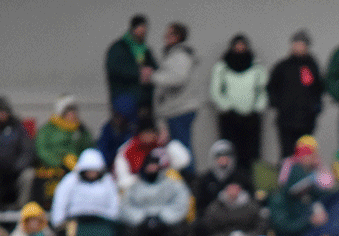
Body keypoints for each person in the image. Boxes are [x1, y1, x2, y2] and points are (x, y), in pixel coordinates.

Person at [210, 33, 269, 171]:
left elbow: (262, 91)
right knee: (229, 153)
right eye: (237, 45)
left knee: (252, 154)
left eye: (243, 45)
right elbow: (215, 91)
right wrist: (227, 108)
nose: (240, 48)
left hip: (251, 119)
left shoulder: (257, 67)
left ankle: (251, 185)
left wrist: (257, 109)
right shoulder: (222, 67)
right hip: (230, 118)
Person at [49, 147, 121, 236]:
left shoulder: (107, 181)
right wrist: (59, 222)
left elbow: (114, 204)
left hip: (101, 222)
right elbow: (60, 202)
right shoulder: (70, 180)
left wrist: (112, 219)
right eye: (89, 170)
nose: (92, 173)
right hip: (77, 222)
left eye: (94, 170)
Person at [120, 147, 191, 236]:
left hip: (167, 223)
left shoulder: (172, 184)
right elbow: (125, 207)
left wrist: (163, 217)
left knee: (180, 230)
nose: (152, 168)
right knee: (129, 233)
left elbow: (182, 202)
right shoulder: (134, 187)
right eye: (149, 165)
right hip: (141, 225)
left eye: (154, 165)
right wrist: (142, 218)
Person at [267, 29, 326, 160]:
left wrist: (315, 108)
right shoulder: (282, 66)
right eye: (297, 44)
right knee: (287, 154)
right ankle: (286, 179)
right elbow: (271, 88)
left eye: (302, 44)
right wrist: (279, 105)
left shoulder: (312, 66)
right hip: (286, 121)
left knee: (305, 154)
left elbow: (319, 89)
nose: (299, 47)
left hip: (307, 121)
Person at [151, 21, 200, 173]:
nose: (165, 37)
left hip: (179, 110)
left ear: (178, 36)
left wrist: (153, 77)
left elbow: (178, 78)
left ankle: (188, 180)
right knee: (176, 150)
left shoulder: (180, 55)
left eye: (170, 34)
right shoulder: (173, 54)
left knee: (181, 150)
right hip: (174, 110)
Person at [105, 13, 157, 113]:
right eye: (140, 29)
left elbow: (154, 67)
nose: (143, 32)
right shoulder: (119, 48)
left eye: (145, 29)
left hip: (144, 101)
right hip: (124, 99)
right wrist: (139, 73)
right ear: (133, 28)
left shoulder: (145, 50)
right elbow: (115, 68)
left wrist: (151, 73)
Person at [34, 94, 95, 176]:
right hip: (54, 169)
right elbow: (42, 150)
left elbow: (89, 149)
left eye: (74, 111)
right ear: (61, 113)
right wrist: (61, 162)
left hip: (78, 169)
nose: (72, 114)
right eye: (68, 111)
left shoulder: (81, 130)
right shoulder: (48, 130)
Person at [194, 139, 252, 216]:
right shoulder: (206, 179)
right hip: (215, 220)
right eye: (219, 156)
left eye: (226, 156)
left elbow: (252, 198)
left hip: (240, 217)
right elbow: (200, 205)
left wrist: (239, 197)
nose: (223, 160)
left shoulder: (242, 176)